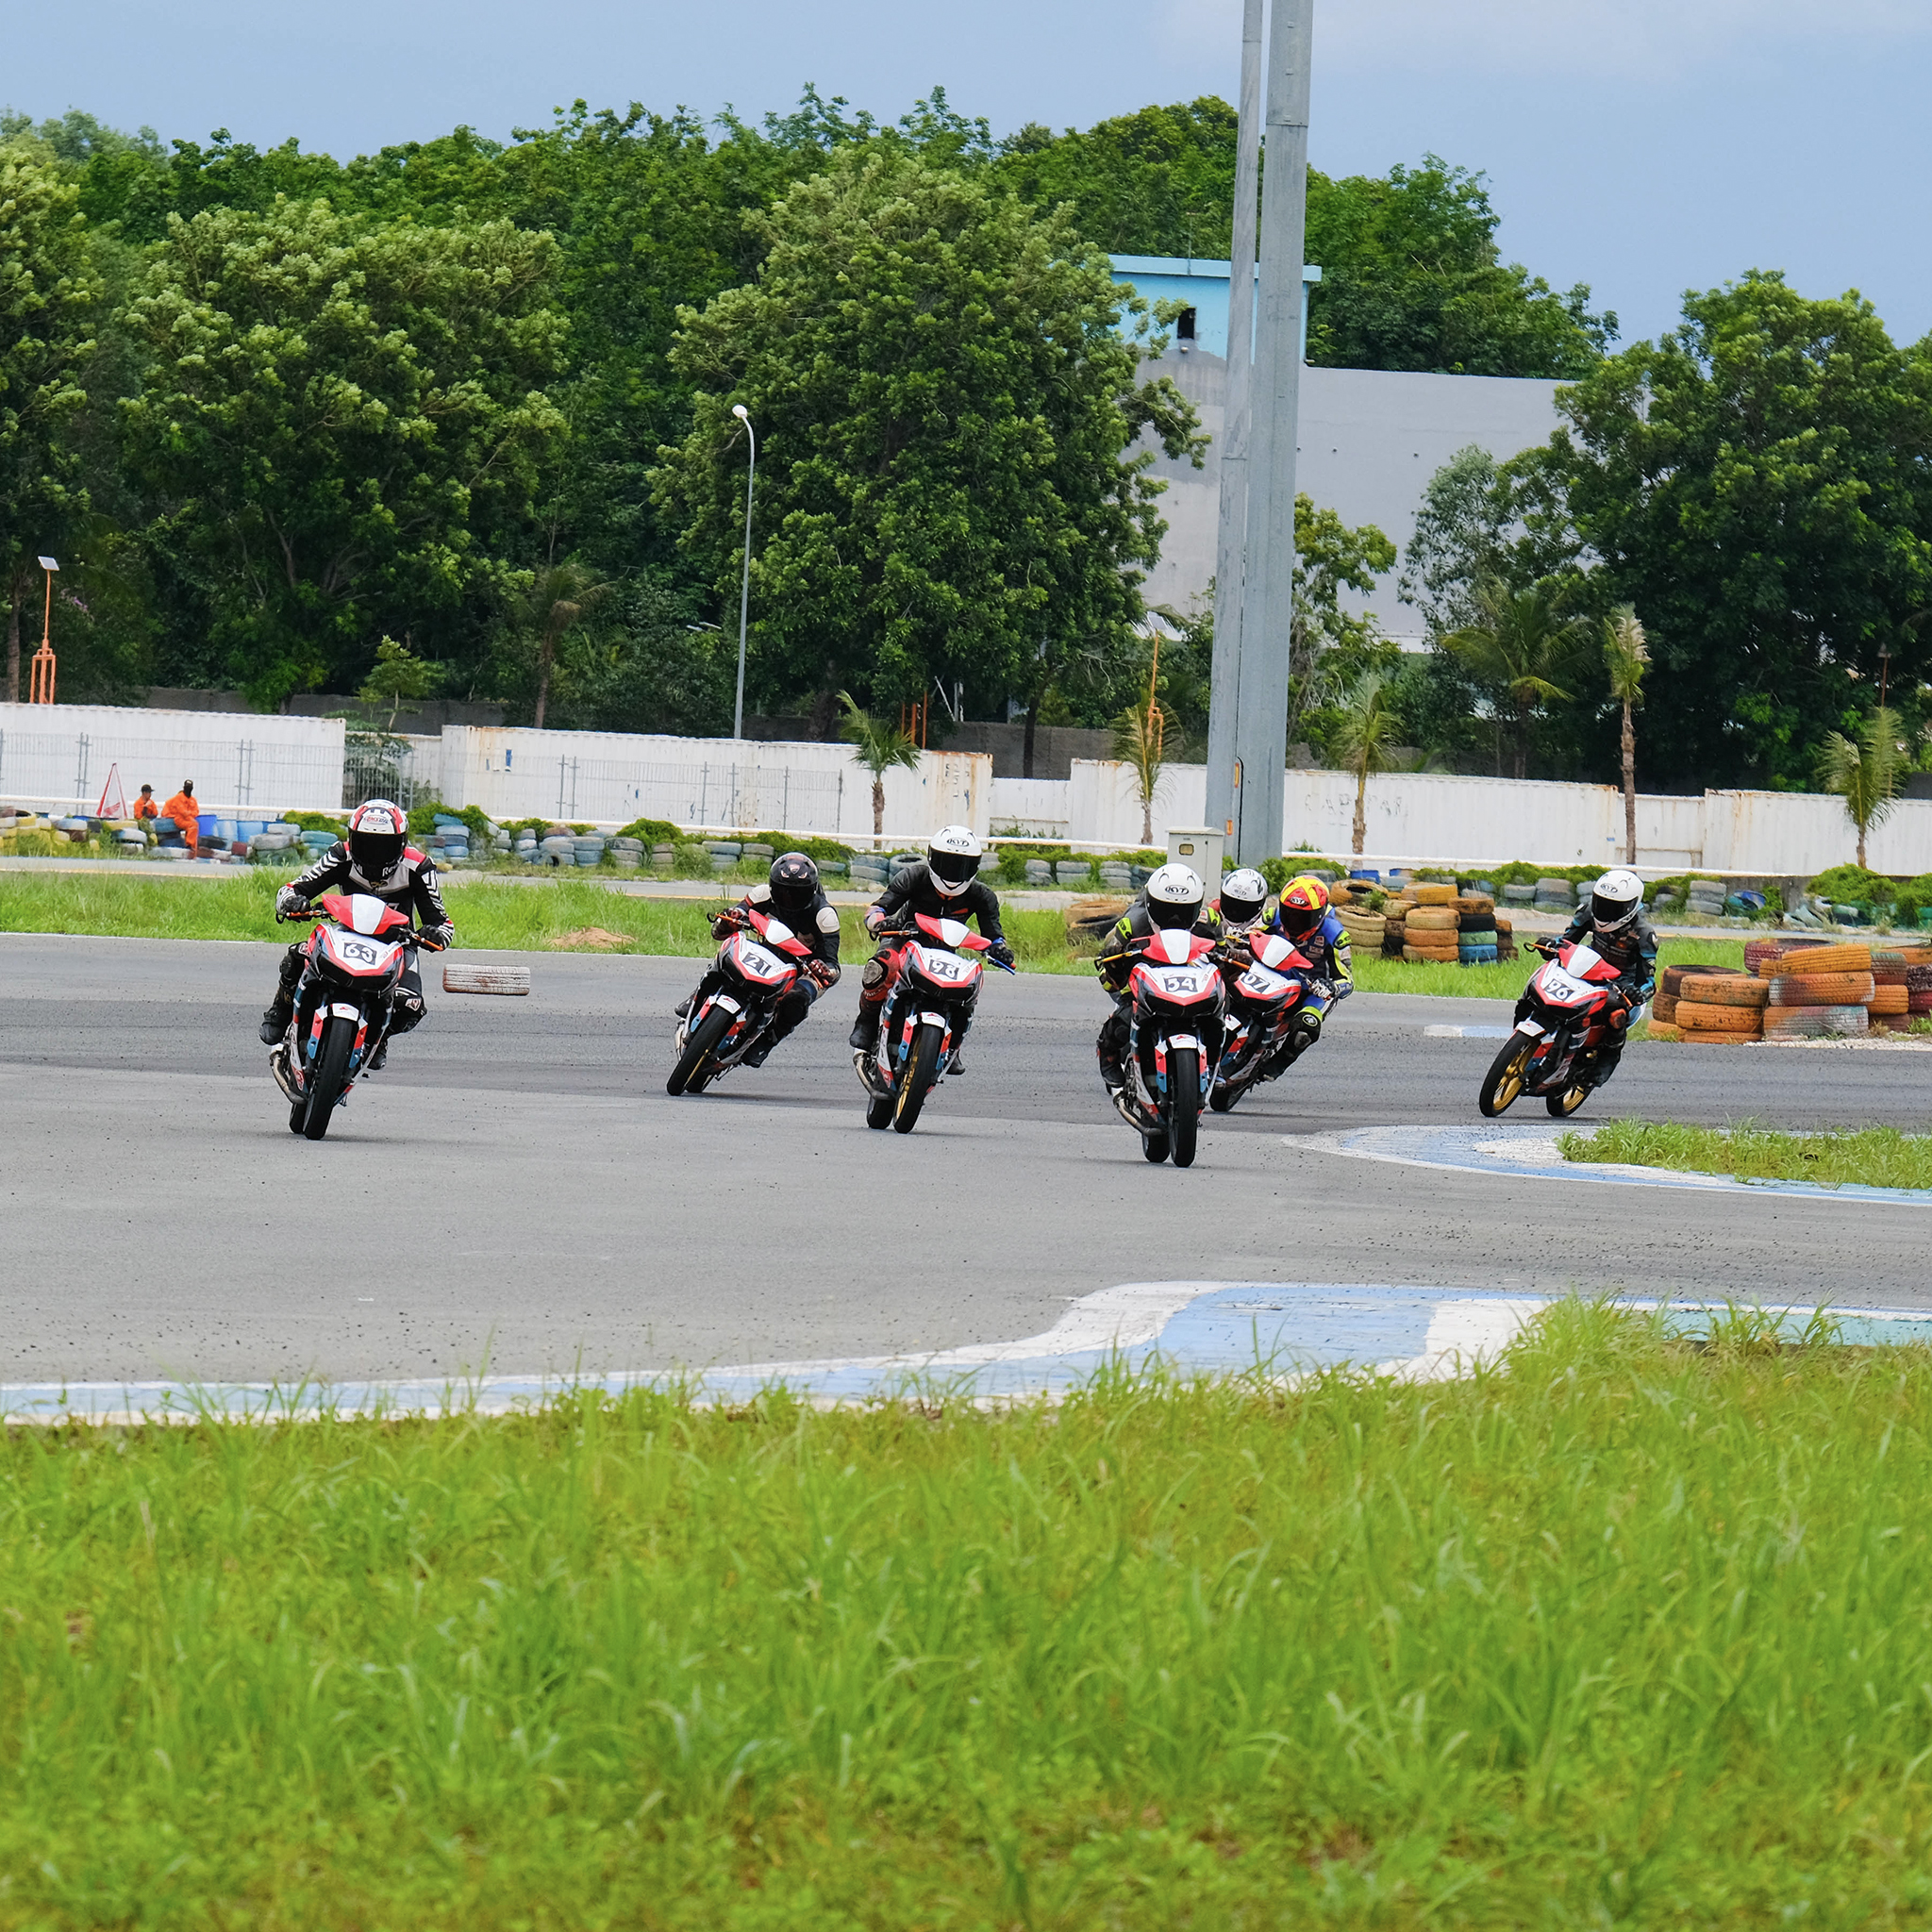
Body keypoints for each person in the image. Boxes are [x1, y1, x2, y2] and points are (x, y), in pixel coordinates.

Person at [258, 799, 454, 1070]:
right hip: (345, 933)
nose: (374, 853)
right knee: (297, 956)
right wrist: (293, 902)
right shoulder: (341, 854)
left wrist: (434, 934)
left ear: (401, 843)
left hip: (397, 943)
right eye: (366, 843)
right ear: (352, 839)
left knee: (410, 1004)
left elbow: (444, 924)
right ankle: (280, 1011)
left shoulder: (418, 866)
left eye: (384, 846)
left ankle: (379, 1037)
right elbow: (292, 889)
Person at [848, 825, 1011, 1073]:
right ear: (932, 858)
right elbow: (879, 908)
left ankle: (952, 1047)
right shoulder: (914, 876)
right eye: (947, 863)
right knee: (885, 965)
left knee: (970, 985)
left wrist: (1000, 950)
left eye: (961, 866)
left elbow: (994, 935)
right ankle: (867, 1023)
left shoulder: (982, 896)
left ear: (975, 867)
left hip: (945, 951)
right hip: (903, 939)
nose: (953, 872)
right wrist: (879, 922)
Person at [675, 854, 842, 1067]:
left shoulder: (824, 915)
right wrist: (731, 919)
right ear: (772, 886)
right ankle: (698, 995)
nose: (788, 899)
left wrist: (823, 969)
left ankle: (768, 1041)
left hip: (803, 968)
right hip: (766, 950)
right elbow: (723, 927)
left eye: (797, 894)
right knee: (729, 950)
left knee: (796, 999)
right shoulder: (761, 894)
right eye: (782, 891)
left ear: (812, 890)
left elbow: (833, 965)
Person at [1092, 862, 1222, 1106]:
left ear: (1196, 908)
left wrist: (1233, 958)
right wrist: (1114, 965)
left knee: (1222, 1006)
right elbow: (1108, 980)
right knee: (1124, 1014)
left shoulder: (1209, 921)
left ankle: (1216, 1061)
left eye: (1183, 912)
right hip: (1148, 979)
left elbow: (1225, 956)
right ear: (1151, 904)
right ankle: (1109, 1061)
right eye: (1166, 911)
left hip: (1193, 981)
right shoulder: (1131, 923)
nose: (1175, 919)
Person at [1537, 866, 1656, 1088]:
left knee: (1616, 1014)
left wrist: (1637, 993)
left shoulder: (1644, 934)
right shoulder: (1588, 911)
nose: (1605, 911)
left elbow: (1648, 981)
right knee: (1549, 979)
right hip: (1587, 967)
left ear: (1631, 907)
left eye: (1614, 907)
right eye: (1602, 902)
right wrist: (1551, 945)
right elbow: (1567, 940)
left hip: (1620, 984)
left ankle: (1608, 1058)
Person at [1255, 873, 1354, 1072]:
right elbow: (1245, 937)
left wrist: (1331, 986)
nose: (1294, 922)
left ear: (1319, 915)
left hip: (1311, 990)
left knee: (1307, 1026)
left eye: (1302, 917)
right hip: (1272, 979)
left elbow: (1347, 981)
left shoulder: (1335, 935)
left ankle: (1277, 1065)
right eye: (1289, 913)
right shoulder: (1271, 919)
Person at [160, 781, 200, 856]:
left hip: (189, 819)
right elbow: (182, 811)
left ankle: (192, 847)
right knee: (193, 825)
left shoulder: (193, 800)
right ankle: (189, 844)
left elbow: (196, 812)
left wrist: (189, 814)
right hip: (180, 819)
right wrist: (190, 814)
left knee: (194, 825)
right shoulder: (178, 798)